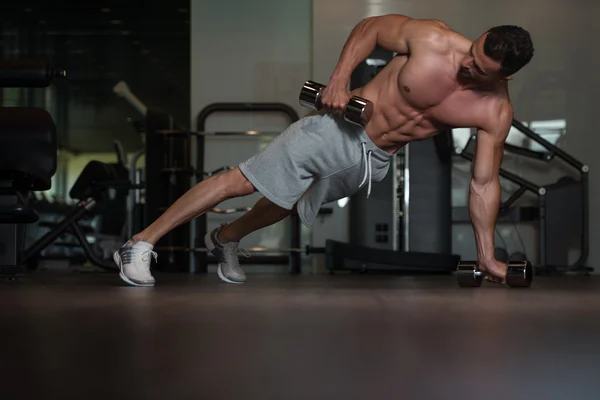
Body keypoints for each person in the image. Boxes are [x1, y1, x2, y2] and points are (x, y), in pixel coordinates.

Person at [113, 14, 534, 287]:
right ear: (478, 39)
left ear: (506, 78)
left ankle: (224, 238)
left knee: (285, 203)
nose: (468, 66)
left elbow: (483, 184)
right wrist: (338, 80)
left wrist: (486, 256)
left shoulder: (494, 110)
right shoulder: (433, 39)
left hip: (375, 160)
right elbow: (369, 30)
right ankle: (140, 243)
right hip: (337, 129)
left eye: (480, 70)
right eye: (473, 53)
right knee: (242, 181)